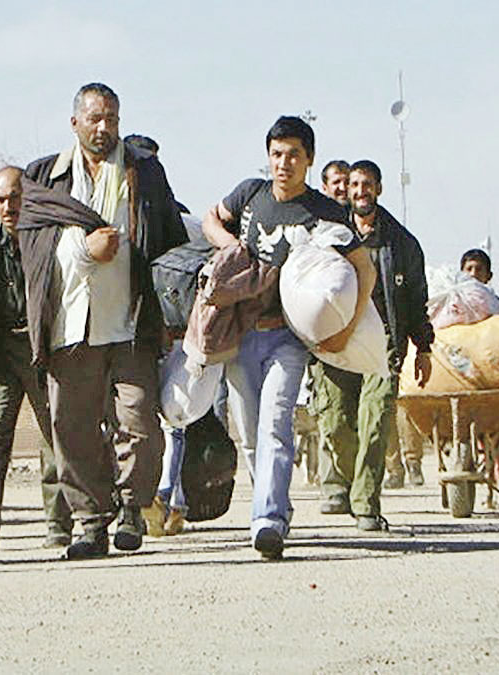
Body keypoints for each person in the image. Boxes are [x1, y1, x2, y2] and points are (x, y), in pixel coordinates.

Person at [20, 83, 186, 559]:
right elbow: (32, 247)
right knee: (71, 429)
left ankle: (132, 507)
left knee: (140, 424)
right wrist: (83, 250)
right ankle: (90, 522)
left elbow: (168, 239)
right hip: (69, 327)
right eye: (95, 118)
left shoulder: (143, 172)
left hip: (130, 324)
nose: (104, 128)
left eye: (111, 118)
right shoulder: (46, 178)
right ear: (75, 123)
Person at [201, 115, 370, 559]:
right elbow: (211, 219)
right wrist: (230, 247)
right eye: (277, 154)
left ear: (309, 159)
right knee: (251, 435)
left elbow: (363, 268)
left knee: (276, 424)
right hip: (241, 334)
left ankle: (268, 520)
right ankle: (274, 503)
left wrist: (345, 329)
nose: (284, 163)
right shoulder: (250, 195)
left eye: (294, 155)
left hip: (287, 339)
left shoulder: (325, 212)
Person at [0, 167, 73, 549]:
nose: (9, 207)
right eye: (2, 200)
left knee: (53, 435)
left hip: (43, 350)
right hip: (0, 351)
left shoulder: (47, 236)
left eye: (16, 197)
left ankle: (59, 523)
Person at [313, 160, 432, 531]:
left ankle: (366, 505)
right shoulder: (329, 235)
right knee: (335, 423)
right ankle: (351, 484)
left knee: (375, 422)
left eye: (367, 184)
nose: (361, 191)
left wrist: (423, 347)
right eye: (354, 185)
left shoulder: (402, 243)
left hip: (384, 344)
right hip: (337, 341)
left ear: (378, 189)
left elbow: (416, 300)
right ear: (347, 190)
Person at [460, 248, 499, 313]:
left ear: (489, 276)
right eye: (469, 269)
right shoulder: (453, 304)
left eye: (478, 269)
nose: (473, 274)